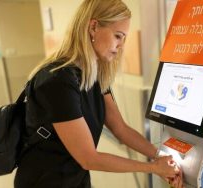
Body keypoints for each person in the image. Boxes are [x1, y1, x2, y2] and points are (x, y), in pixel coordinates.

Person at [14, 0, 183, 188]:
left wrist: (161, 157)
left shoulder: (94, 76)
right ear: (93, 27)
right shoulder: (57, 80)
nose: (121, 46)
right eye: (118, 36)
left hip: (76, 180)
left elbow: (120, 129)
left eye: (124, 38)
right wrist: (153, 168)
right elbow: (89, 158)